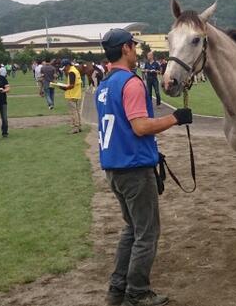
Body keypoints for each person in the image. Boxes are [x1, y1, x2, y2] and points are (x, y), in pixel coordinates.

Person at [96, 28, 192, 306]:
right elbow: (140, 126)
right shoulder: (131, 82)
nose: (136, 52)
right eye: (133, 47)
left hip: (114, 168)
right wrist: (175, 118)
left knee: (132, 229)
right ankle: (137, 292)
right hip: (134, 168)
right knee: (147, 233)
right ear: (126, 48)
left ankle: (117, 288)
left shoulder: (104, 85)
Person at [58, 59, 82, 133]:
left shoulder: (71, 72)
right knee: (77, 111)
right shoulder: (75, 70)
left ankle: (75, 128)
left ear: (68, 65)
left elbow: (71, 85)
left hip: (72, 94)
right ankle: (79, 126)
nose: (64, 69)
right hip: (76, 94)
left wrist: (62, 87)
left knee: (73, 112)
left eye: (64, 67)